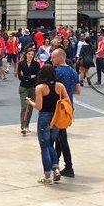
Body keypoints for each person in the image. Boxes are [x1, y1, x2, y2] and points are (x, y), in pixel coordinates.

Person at [25, 64, 68, 184]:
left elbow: (39, 107)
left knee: (44, 147)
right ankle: (56, 169)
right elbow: (67, 101)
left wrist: (30, 102)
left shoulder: (40, 88)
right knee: (51, 144)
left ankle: (47, 175)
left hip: (45, 118)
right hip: (56, 118)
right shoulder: (60, 86)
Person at [52, 48, 80, 177]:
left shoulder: (56, 72)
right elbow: (78, 91)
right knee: (60, 135)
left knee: (61, 137)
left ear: (61, 57)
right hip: (69, 107)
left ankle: (68, 166)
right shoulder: (73, 72)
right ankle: (56, 163)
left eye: (53, 57)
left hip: (58, 107)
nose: (52, 60)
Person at [17, 47, 40, 136]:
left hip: (33, 88)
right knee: (24, 106)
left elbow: (37, 76)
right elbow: (20, 77)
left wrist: (26, 77)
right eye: (29, 54)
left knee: (30, 107)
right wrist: (30, 77)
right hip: (23, 88)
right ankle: (23, 127)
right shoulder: (21, 64)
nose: (30, 56)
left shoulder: (36, 64)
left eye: (32, 54)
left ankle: (27, 126)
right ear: (26, 54)